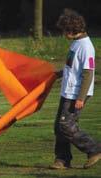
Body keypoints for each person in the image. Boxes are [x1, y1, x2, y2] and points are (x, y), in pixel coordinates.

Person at [50, 9, 101, 169]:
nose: (63, 34)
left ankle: (94, 149)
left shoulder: (86, 47)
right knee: (59, 126)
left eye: (64, 30)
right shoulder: (75, 43)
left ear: (72, 29)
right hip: (67, 92)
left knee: (66, 126)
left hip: (76, 94)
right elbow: (72, 67)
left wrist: (81, 97)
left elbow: (88, 73)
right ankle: (62, 159)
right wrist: (58, 74)